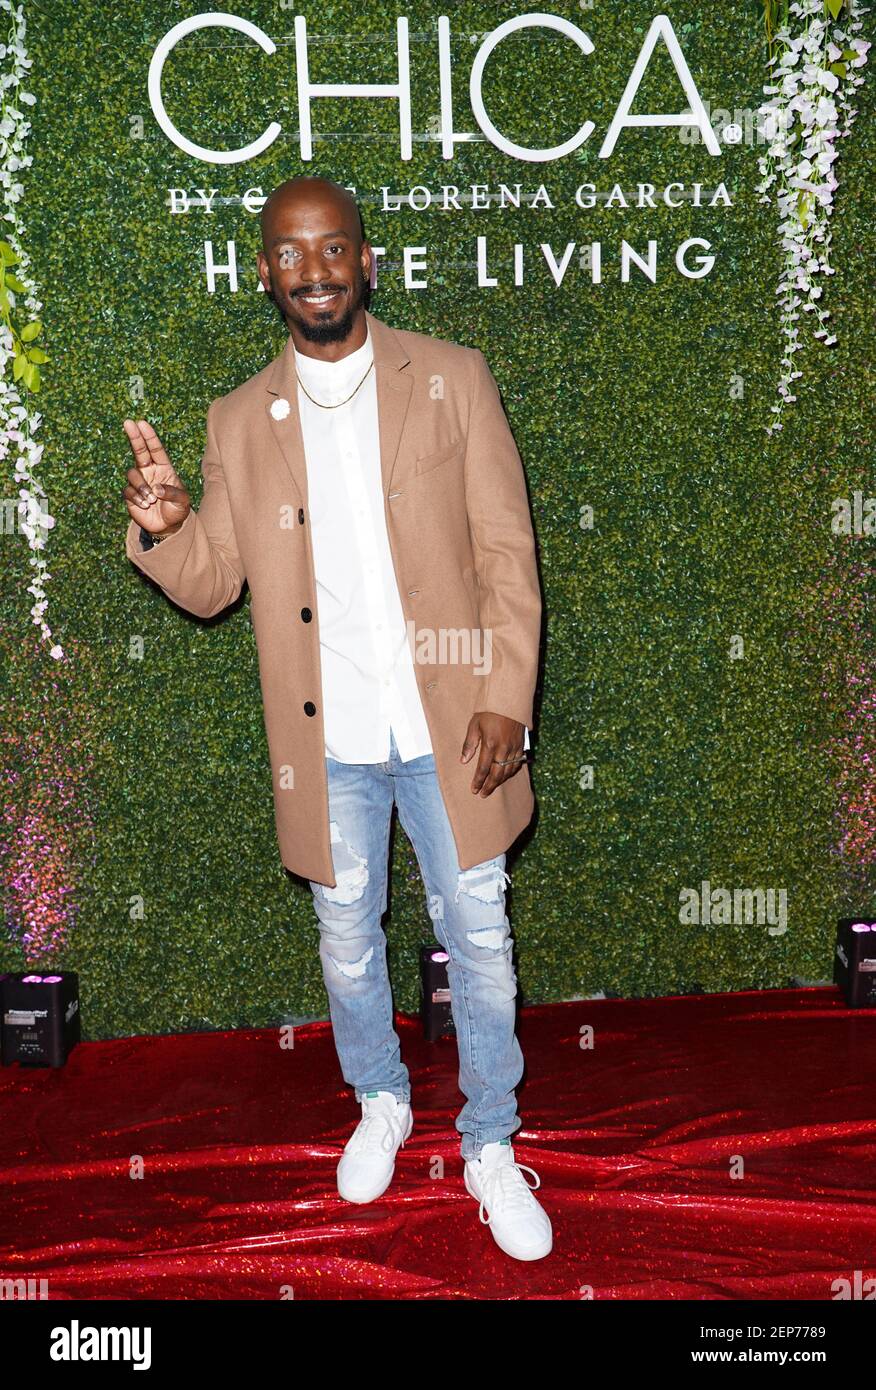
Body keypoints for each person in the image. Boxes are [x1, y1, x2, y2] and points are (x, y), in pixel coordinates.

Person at [121, 176, 549, 1261]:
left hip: (453, 727)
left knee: (482, 940)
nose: (313, 269)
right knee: (349, 945)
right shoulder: (236, 419)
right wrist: (171, 528)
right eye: (290, 253)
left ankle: (491, 1141)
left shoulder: (452, 376)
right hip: (329, 744)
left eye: (333, 248)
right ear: (264, 270)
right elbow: (216, 581)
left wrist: (505, 694)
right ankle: (381, 1101)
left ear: (367, 260)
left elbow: (507, 554)